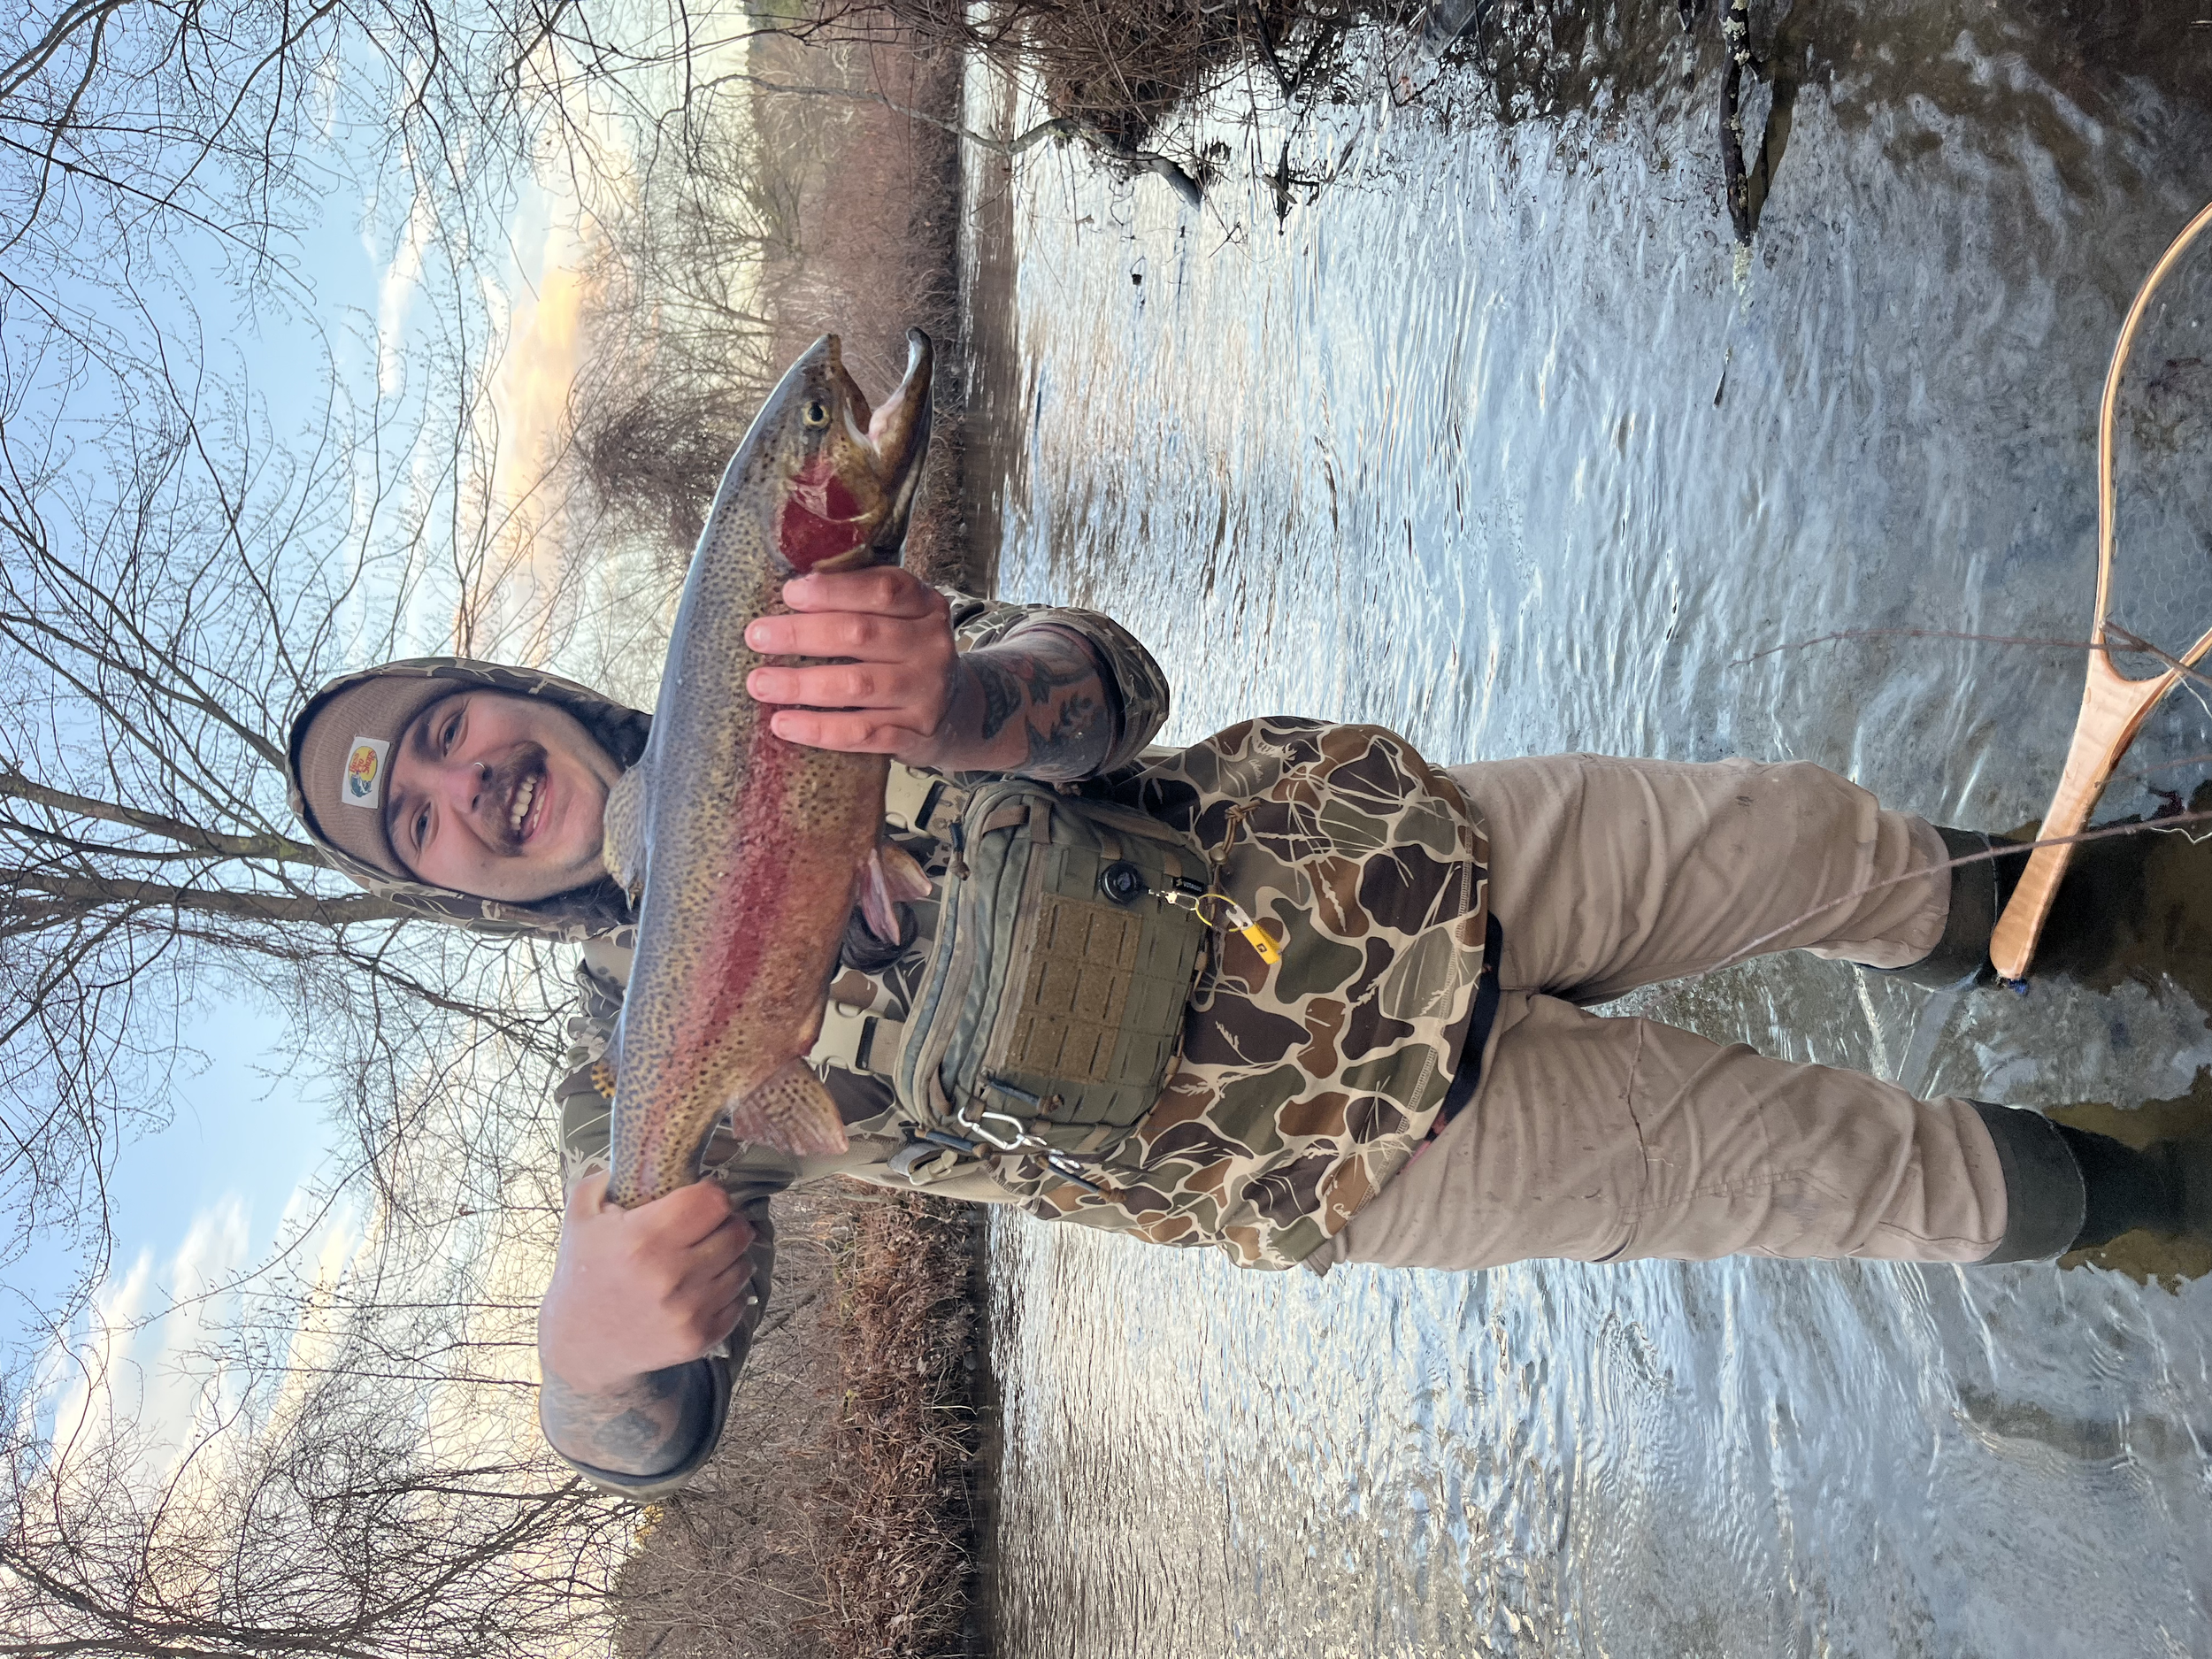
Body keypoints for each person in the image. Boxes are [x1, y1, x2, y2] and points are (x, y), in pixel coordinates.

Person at [284, 565, 2212, 1498]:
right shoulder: (628, 1087)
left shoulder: (791, 660)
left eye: (446, 729)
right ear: (460, 890)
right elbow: (638, 1431)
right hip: (1373, 1154)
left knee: (1831, 843)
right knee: (1891, 1183)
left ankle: (2137, 908)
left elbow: (1105, 676)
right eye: (416, 818)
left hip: (1408, 850)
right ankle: (2169, 1184)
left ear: (509, 692)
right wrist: (576, 1358)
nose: (460, 784)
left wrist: (954, 689)